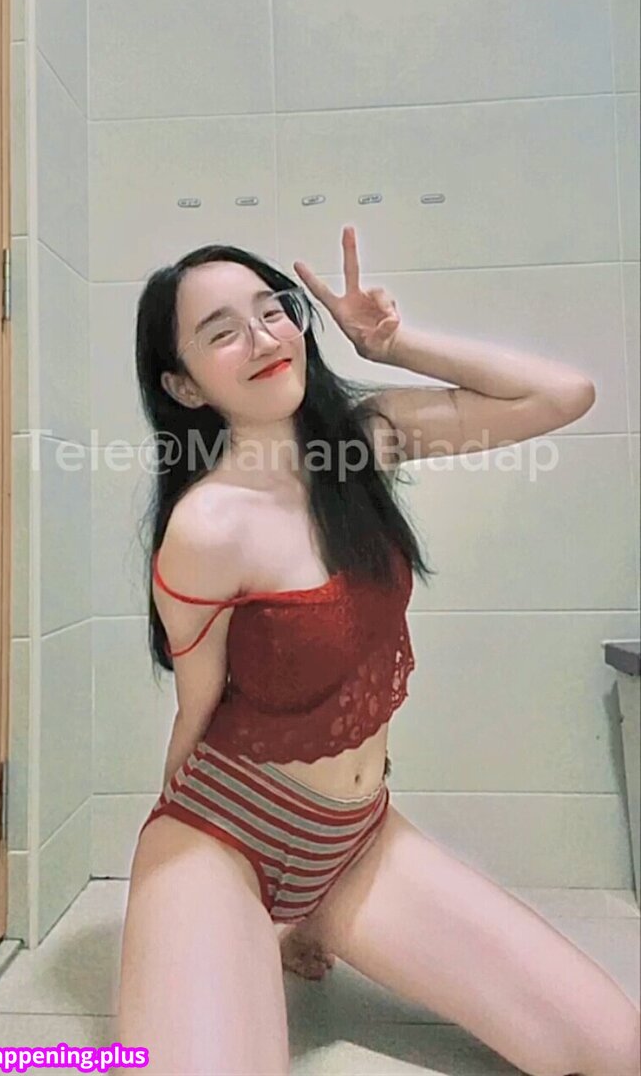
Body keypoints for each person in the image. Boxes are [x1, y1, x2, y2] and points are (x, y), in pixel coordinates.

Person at [113, 227, 640, 1076]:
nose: (263, 339)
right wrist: (189, 887)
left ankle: (306, 915)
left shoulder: (366, 440)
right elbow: (197, 707)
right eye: (221, 332)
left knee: (614, 1047)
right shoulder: (207, 526)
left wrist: (393, 344)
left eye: (272, 311)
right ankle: (234, 917)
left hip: (355, 837)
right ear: (183, 384)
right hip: (223, 833)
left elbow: (561, 395)